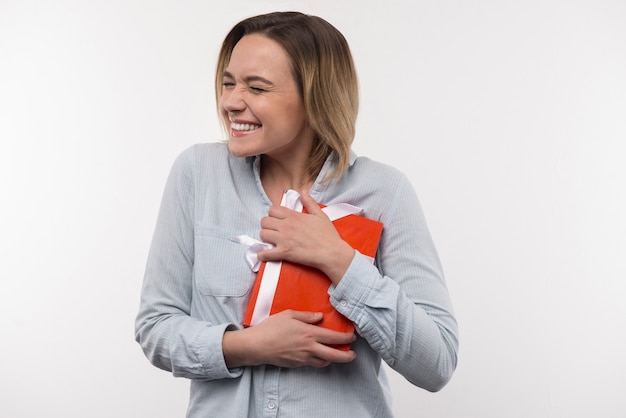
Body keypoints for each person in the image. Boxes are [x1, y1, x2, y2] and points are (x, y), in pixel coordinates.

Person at [135, 11, 458, 418]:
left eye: (257, 87)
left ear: (315, 98)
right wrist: (249, 345)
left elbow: (438, 363)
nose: (232, 102)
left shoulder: (385, 192)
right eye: (229, 82)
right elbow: (155, 327)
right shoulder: (197, 173)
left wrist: (339, 260)